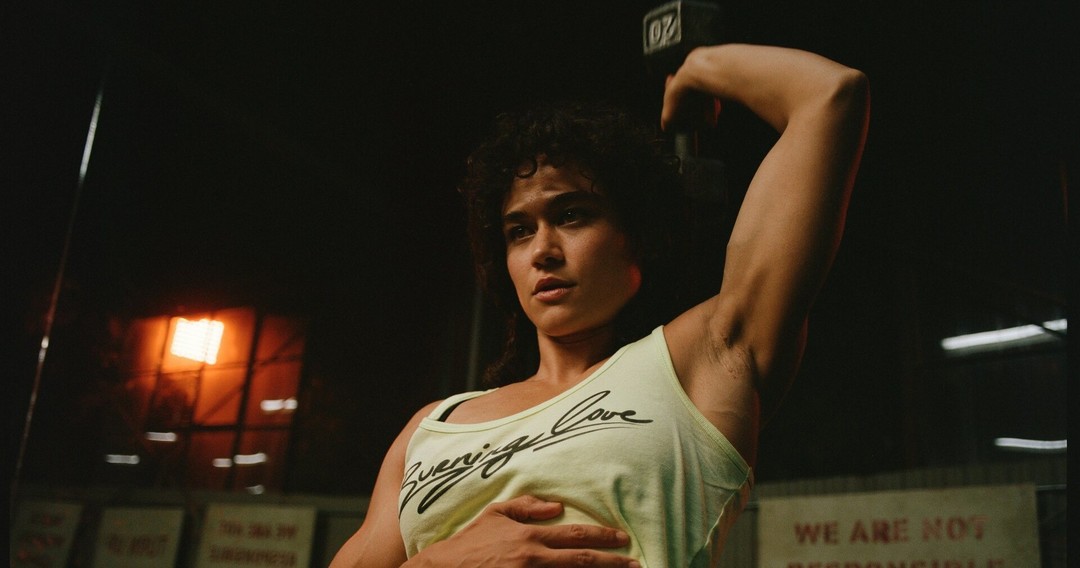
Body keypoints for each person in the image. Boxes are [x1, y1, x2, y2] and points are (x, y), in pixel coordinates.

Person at [331, 43, 869, 567]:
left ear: (638, 236)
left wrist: (697, 67)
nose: (542, 250)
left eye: (572, 215)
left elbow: (830, 95)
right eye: (519, 231)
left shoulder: (698, 360)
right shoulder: (432, 426)